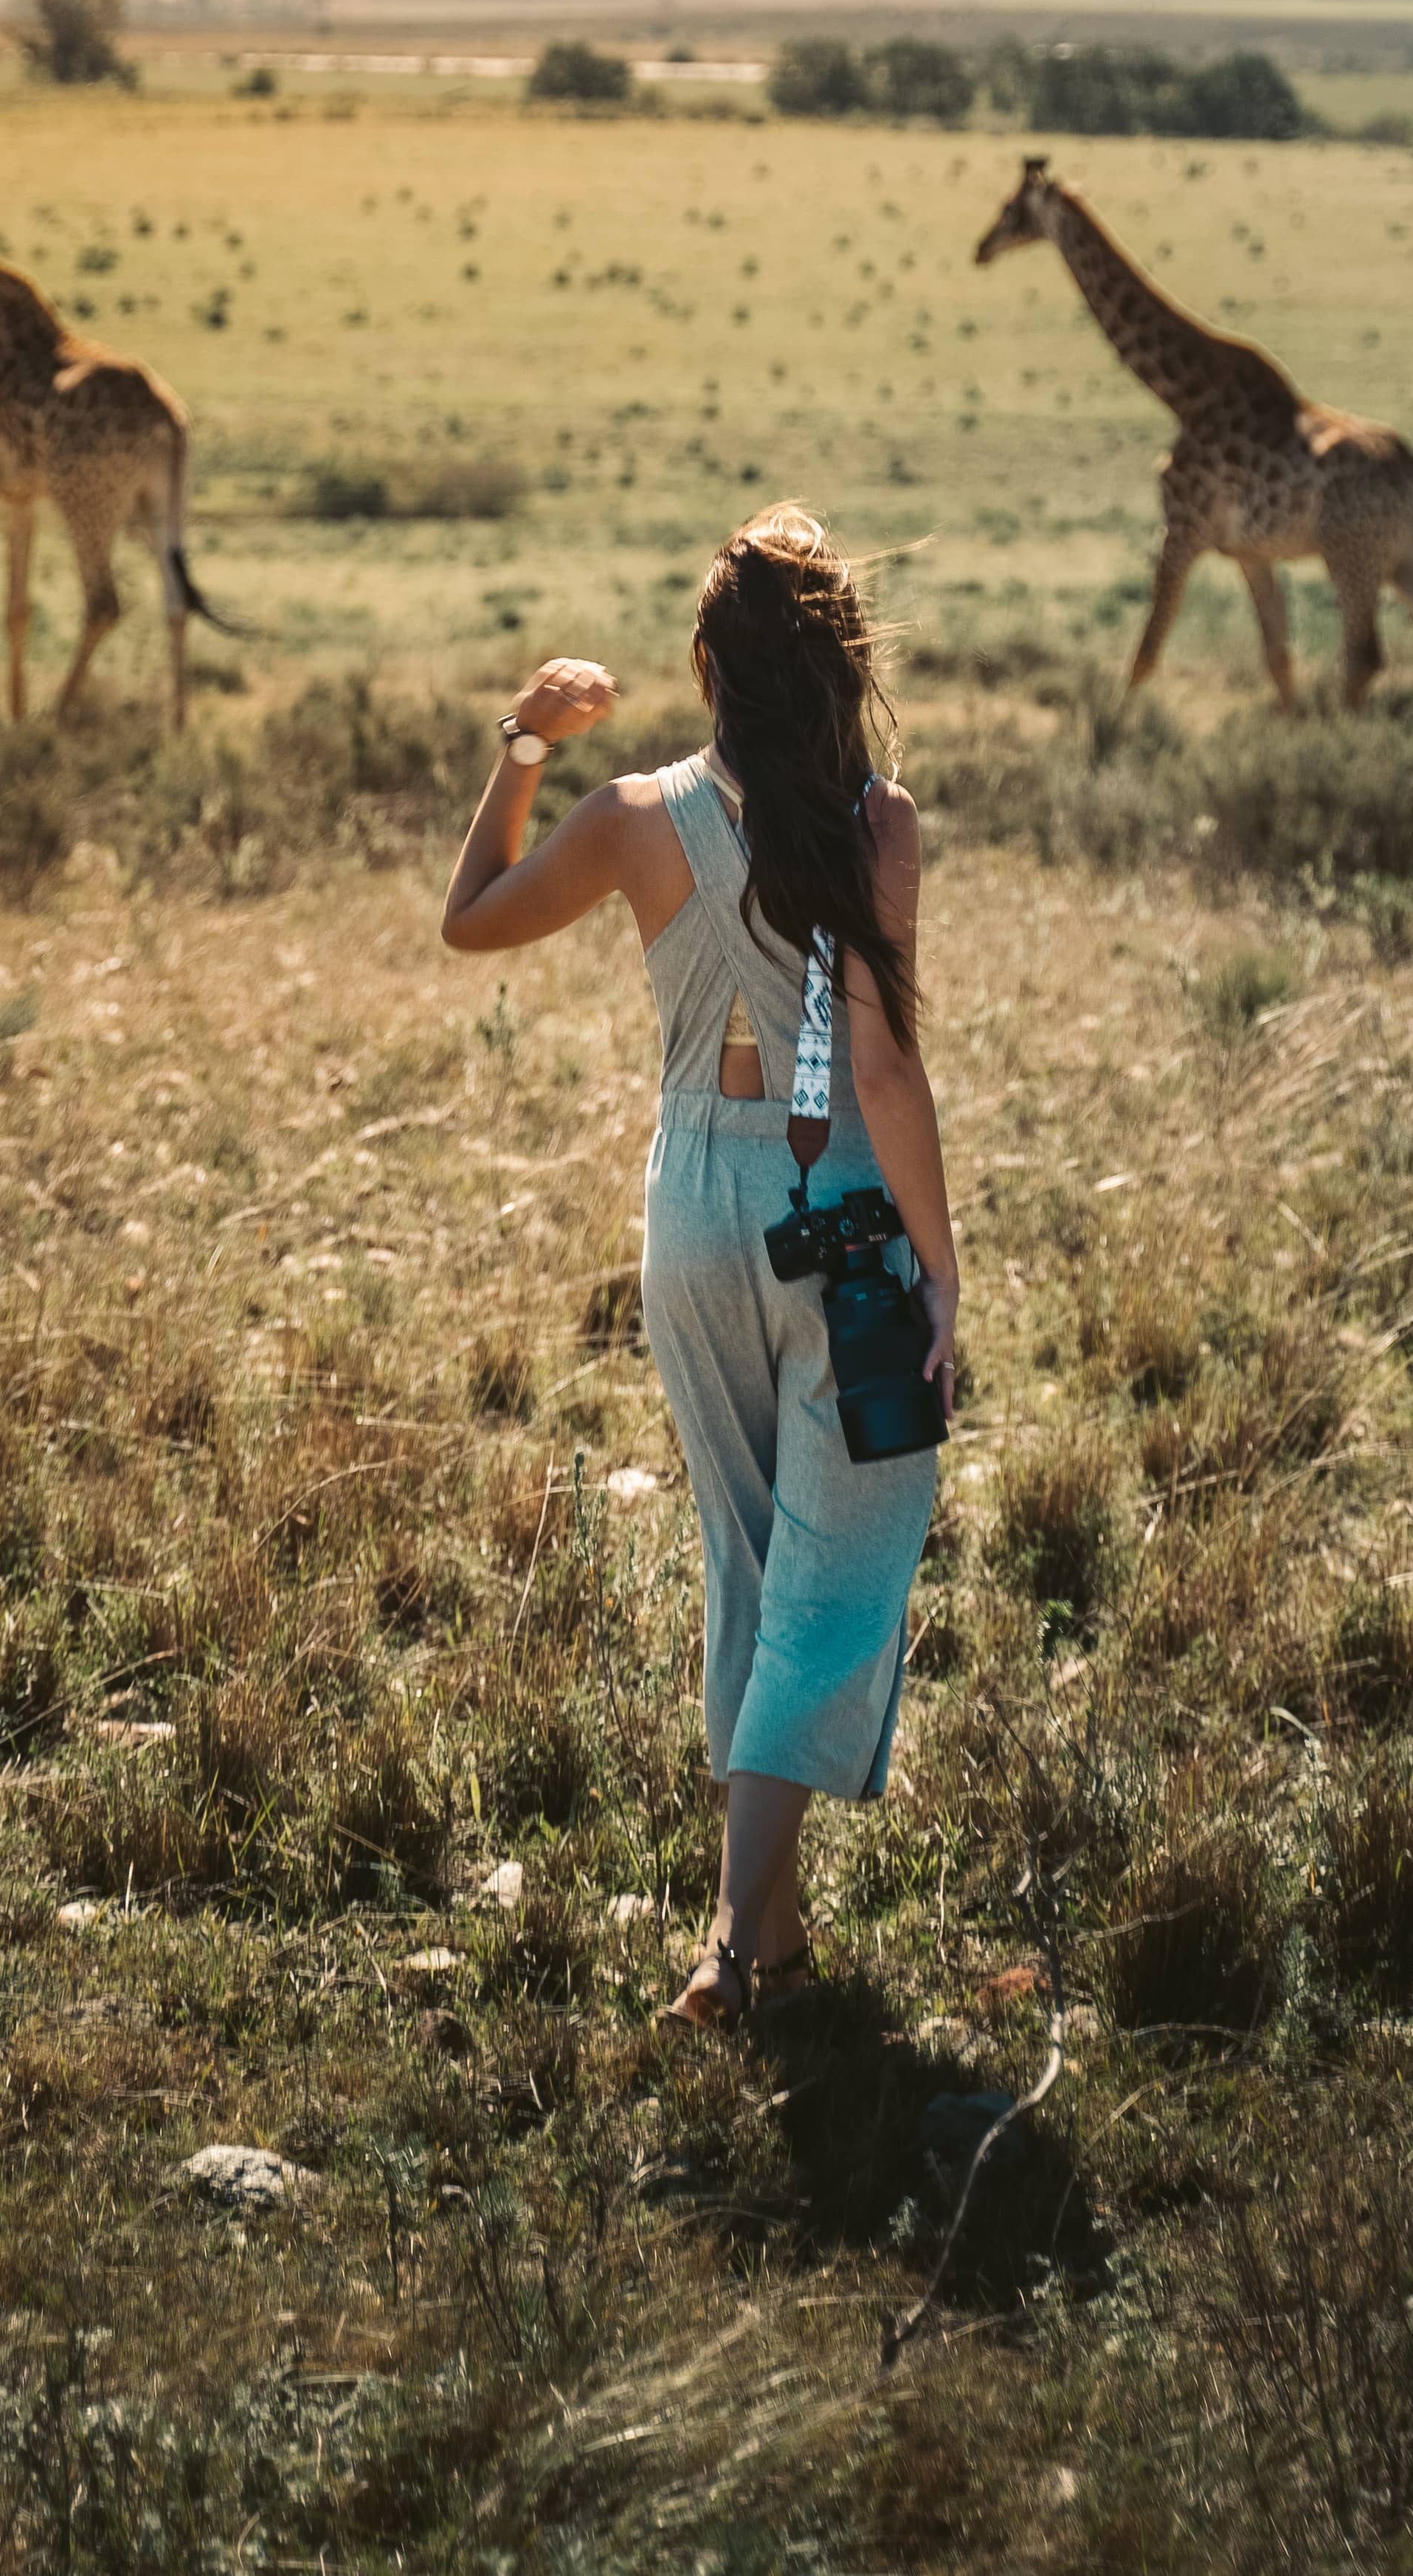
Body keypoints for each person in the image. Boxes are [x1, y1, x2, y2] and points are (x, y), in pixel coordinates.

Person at [440, 503, 960, 2029]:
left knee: (746, 1563)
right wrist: (943, 1270)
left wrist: (521, 746)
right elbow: (880, 1068)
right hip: (843, 1216)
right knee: (837, 1575)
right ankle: (732, 1944)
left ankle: (775, 1945)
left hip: (690, 1210)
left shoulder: (628, 815)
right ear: (839, 667)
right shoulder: (881, 825)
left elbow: (468, 921)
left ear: (706, 667)